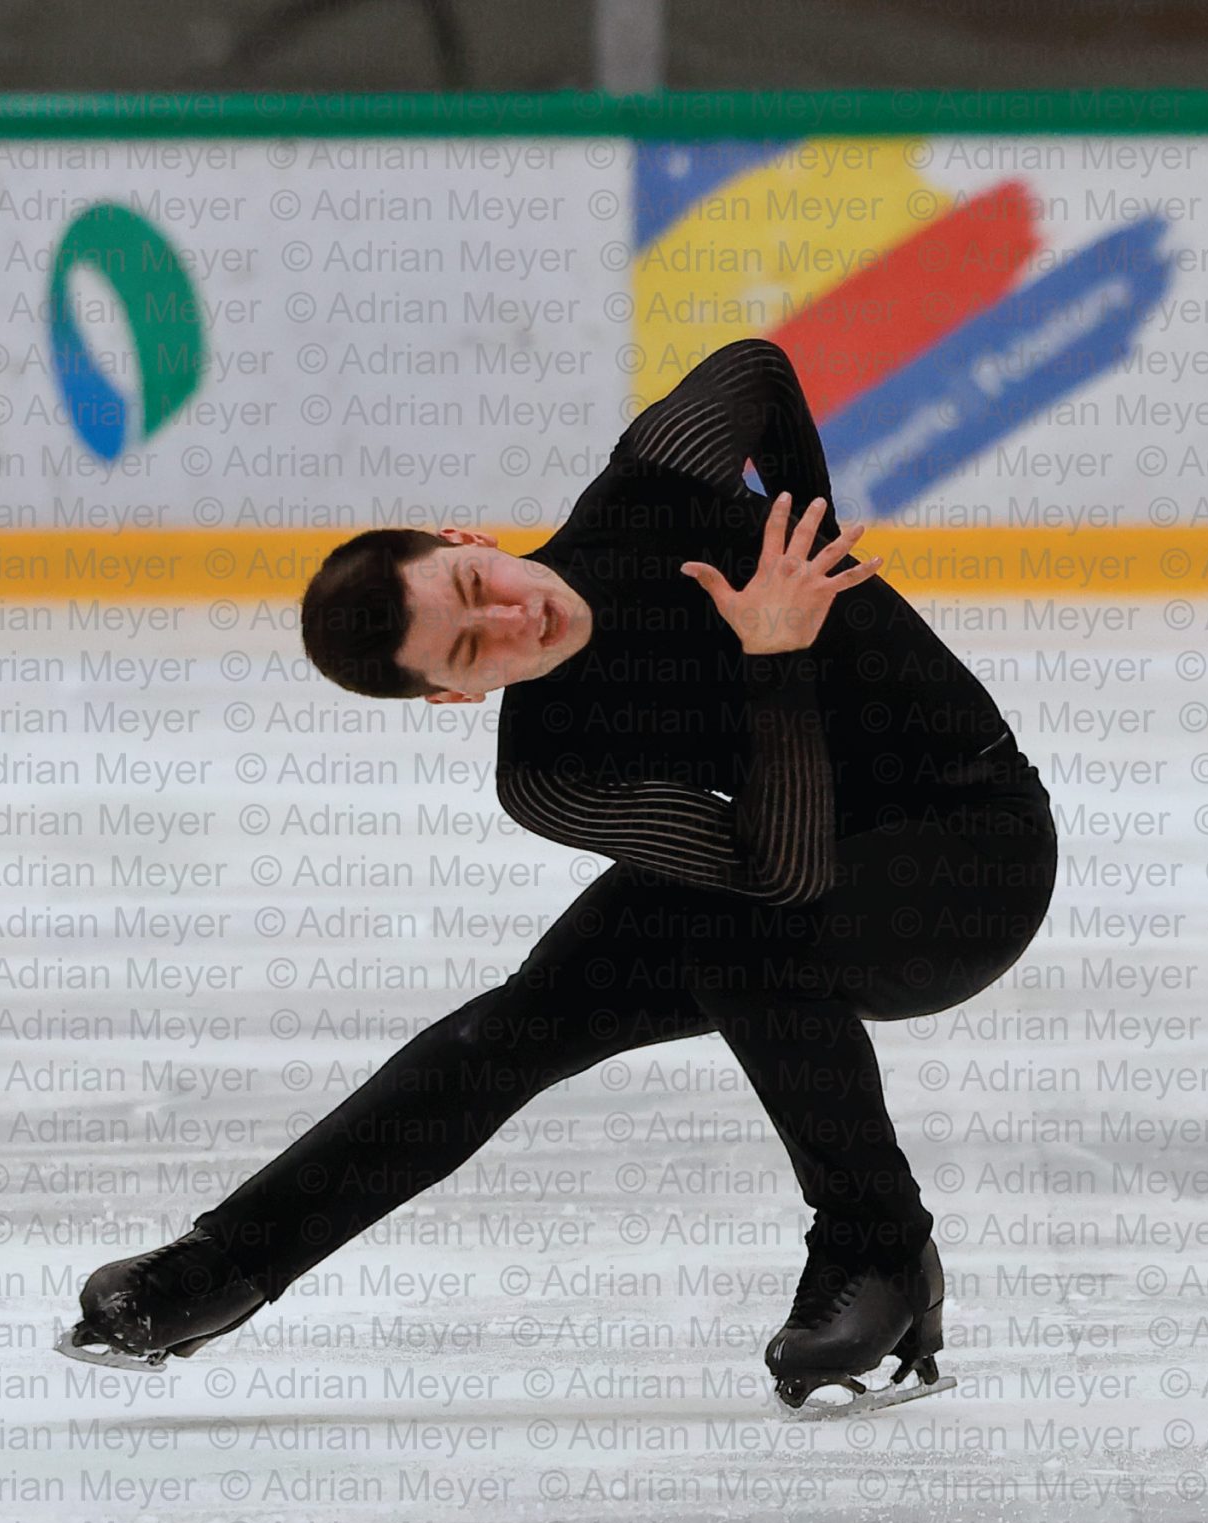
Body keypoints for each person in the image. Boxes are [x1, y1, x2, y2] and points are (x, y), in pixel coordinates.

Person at [62, 338, 1058, 1410]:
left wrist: (801, 545)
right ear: (455, 697)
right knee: (518, 1026)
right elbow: (782, 871)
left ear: (468, 538)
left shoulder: (653, 489)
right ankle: (223, 1267)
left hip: (971, 855)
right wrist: (776, 653)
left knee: (728, 934)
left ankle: (878, 1247)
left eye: (474, 585)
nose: (510, 618)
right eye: (469, 649)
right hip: (798, 871)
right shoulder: (553, 773)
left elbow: (757, 371)